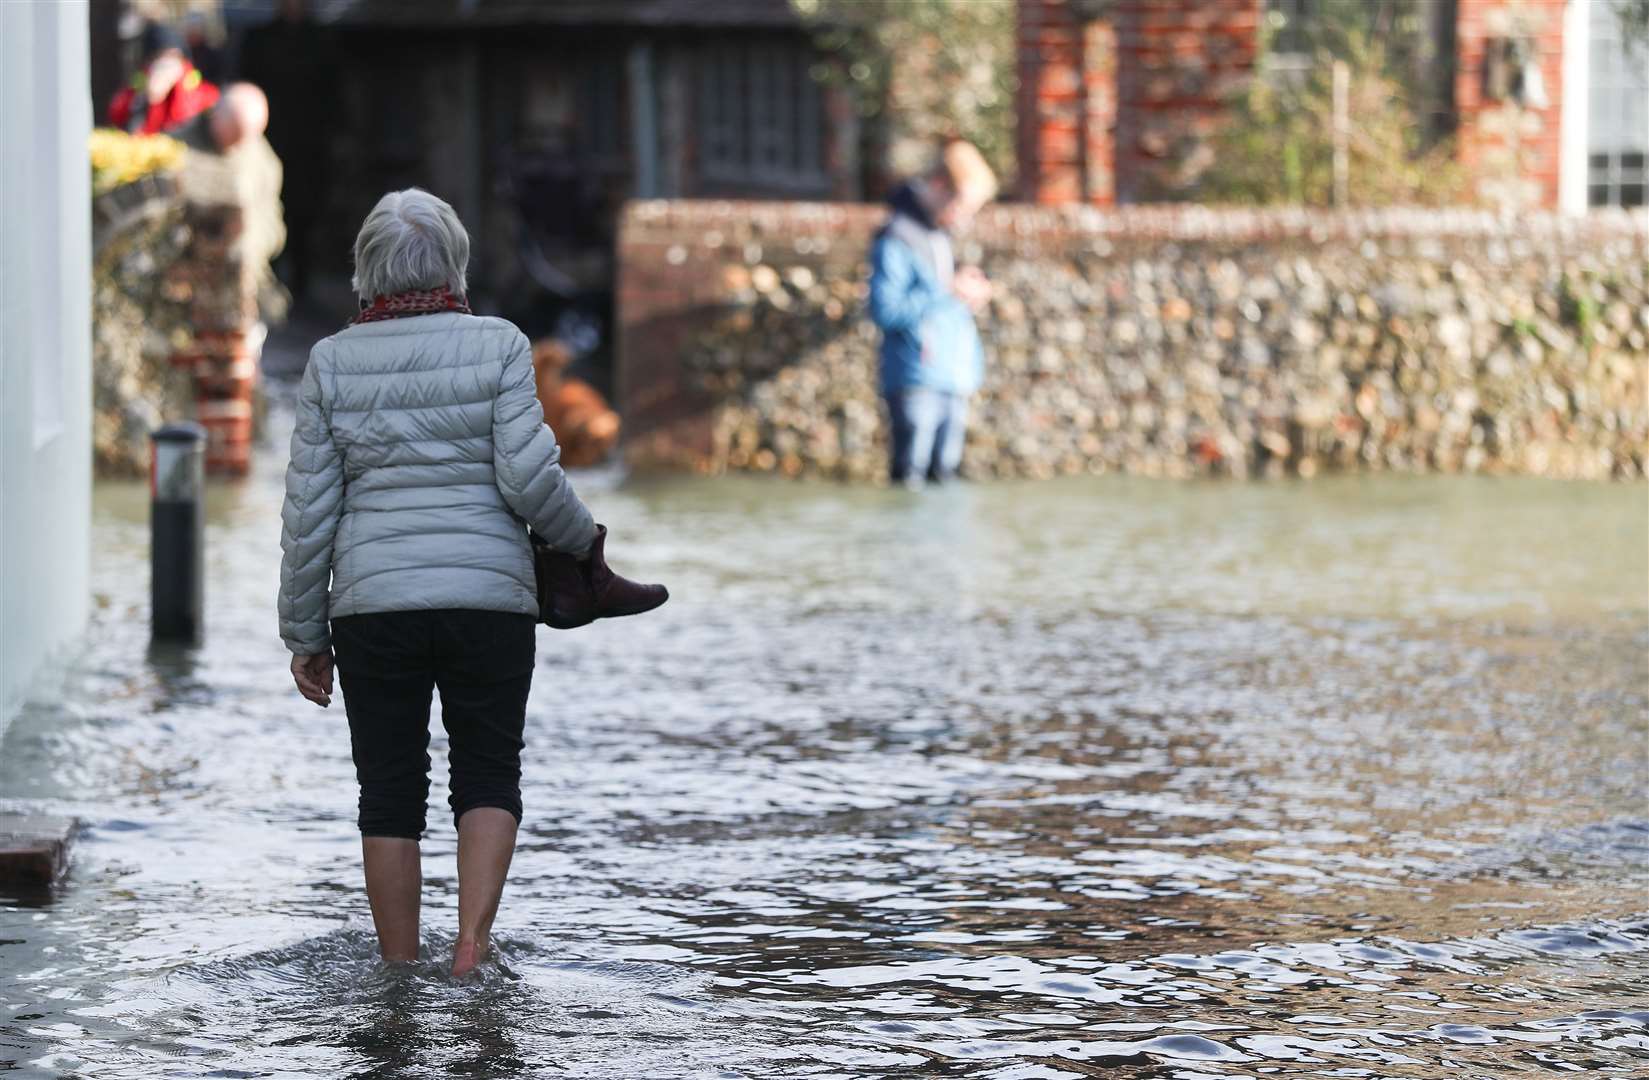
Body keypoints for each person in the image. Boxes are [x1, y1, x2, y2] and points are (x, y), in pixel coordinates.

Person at [277, 189, 662, 978]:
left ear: (366, 271)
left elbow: (308, 513)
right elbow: (529, 478)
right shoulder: (499, 346)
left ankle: (395, 973)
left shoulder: (329, 363)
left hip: (373, 608)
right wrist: (582, 544)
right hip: (489, 602)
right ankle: (470, 949)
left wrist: (304, 634)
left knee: (389, 792)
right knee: (488, 770)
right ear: (455, 262)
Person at [867, 139, 998, 487]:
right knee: (910, 477)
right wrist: (947, 292)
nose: (964, 218)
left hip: (952, 377)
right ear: (940, 186)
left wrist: (969, 293)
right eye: (961, 206)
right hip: (915, 379)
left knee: (945, 477)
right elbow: (885, 310)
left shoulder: (940, 235)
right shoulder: (897, 237)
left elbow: (942, 298)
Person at [238, 0, 339, 303]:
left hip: (308, 141)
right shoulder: (259, 40)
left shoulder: (321, 40)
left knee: (304, 211)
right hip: (269, 139)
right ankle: (267, 278)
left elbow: (332, 91)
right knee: (264, 204)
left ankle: (300, 282)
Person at [108, 21, 220, 135]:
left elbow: (186, 117)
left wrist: (178, 88)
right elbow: (118, 116)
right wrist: (144, 99)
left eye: (172, 57)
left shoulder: (203, 93)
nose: (166, 65)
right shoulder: (136, 90)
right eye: (160, 58)